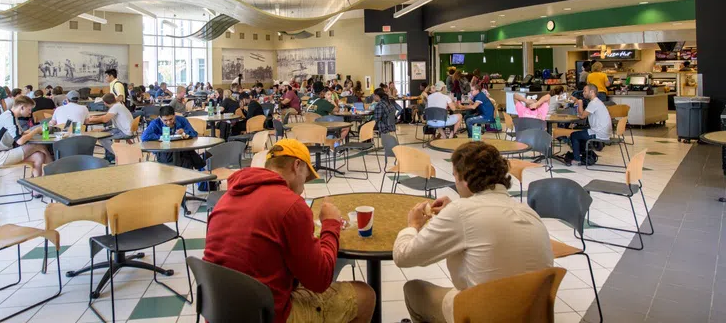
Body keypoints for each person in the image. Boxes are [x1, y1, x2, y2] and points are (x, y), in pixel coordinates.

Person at [203, 139, 375, 323]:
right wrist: (330, 223)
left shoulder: (227, 197)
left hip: (220, 313)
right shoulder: (290, 205)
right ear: (297, 165)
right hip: (267, 316)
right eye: (306, 177)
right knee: (365, 295)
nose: (303, 186)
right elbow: (320, 280)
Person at [393, 141, 553, 323]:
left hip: (483, 314)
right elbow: (484, 224)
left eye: (455, 177)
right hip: (530, 314)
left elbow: (403, 256)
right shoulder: (529, 213)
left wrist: (412, 225)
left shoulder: (462, 211)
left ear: (466, 181)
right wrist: (453, 211)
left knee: (414, 290)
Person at [0, 95, 53, 182]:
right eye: (29, 109)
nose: (30, 112)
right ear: (22, 107)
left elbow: (20, 134)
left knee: (39, 156)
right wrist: (35, 131)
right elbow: (20, 141)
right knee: (39, 146)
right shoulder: (10, 118)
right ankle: (53, 174)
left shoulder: (9, 115)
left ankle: (36, 186)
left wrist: (33, 131)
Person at [567, 84, 613, 166]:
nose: (583, 93)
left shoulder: (594, 103)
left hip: (599, 132)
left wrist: (579, 102)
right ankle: (583, 155)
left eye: (585, 91)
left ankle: (577, 159)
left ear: (592, 92)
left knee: (574, 135)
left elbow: (582, 116)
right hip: (602, 131)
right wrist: (578, 101)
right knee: (580, 133)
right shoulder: (597, 102)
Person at [88, 93, 135, 162]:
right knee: (102, 132)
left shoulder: (115, 107)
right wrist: (96, 117)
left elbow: (105, 119)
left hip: (124, 132)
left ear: (105, 103)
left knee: (101, 138)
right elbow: (107, 116)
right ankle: (110, 157)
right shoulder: (118, 105)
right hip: (125, 129)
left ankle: (118, 154)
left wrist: (92, 119)